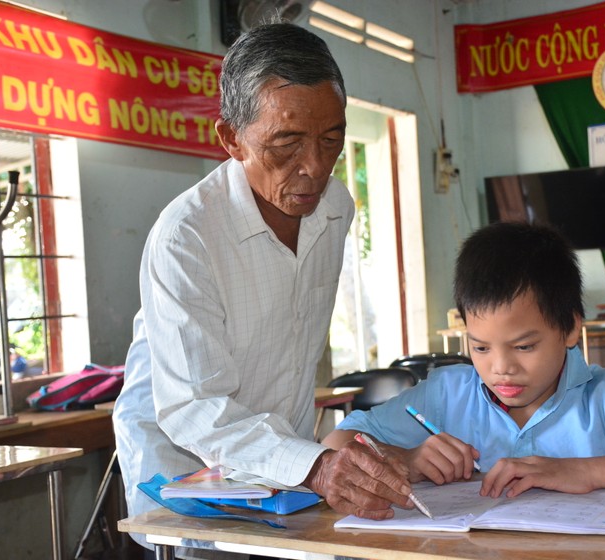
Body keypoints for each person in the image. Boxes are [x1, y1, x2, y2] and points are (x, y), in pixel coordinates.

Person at [113, 21, 416, 557]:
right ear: (231, 139)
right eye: (286, 143)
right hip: (189, 458)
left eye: (331, 140)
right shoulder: (186, 236)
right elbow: (193, 408)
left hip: (285, 458)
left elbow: (295, 343)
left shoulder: (335, 207)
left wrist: (306, 461)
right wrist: (314, 463)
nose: (315, 168)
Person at [323, 221, 605, 498]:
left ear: (571, 328)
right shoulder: (446, 393)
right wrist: (406, 457)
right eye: (480, 347)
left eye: (524, 346)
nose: (501, 368)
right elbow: (336, 445)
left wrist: (584, 472)